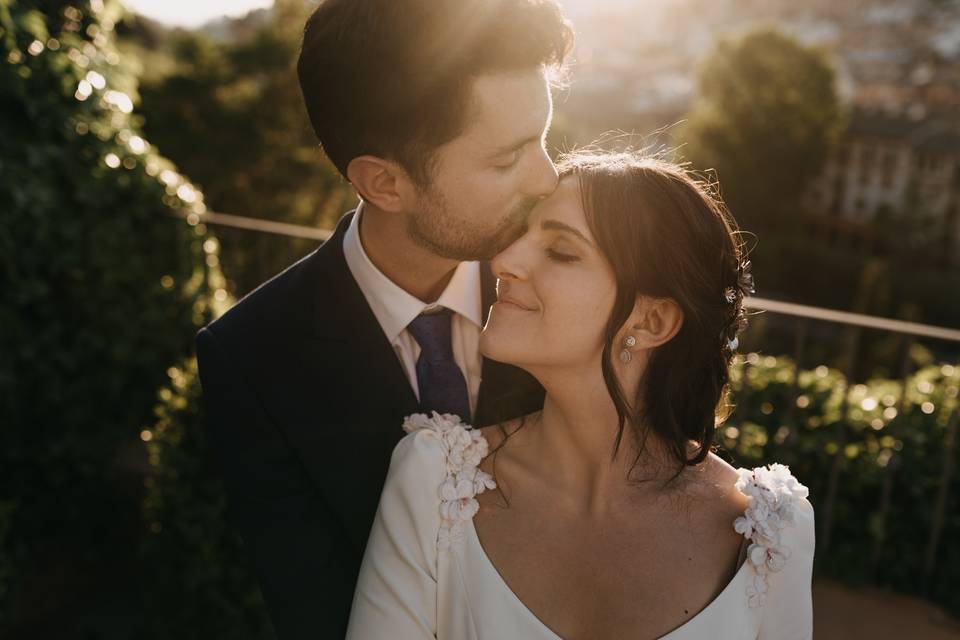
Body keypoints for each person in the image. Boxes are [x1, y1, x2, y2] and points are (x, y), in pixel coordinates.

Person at [194, 0, 574, 637]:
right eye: (507, 159)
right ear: (385, 183)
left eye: (543, 139)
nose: (548, 177)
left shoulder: (571, 286)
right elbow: (313, 603)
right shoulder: (250, 357)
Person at [346, 151, 816, 639]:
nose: (503, 261)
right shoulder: (433, 478)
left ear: (652, 321)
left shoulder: (769, 532)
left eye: (561, 252)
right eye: (520, 236)